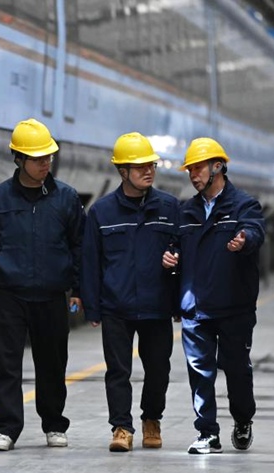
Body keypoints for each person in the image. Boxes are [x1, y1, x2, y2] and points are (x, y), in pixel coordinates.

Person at [0, 118, 84, 452]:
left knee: (52, 363)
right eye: (38, 159)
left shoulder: (66, 198)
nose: (45, 163)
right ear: (18, 159)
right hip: (10, 294)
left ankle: (54, 424)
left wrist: (78, 288)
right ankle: (6, 428)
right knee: (6, 365)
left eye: (48, 157)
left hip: (51, 294)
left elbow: (79, 246)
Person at [163, 137, 266, 454]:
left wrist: (244, 239)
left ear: (217, 167)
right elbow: (176, 245)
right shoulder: (187, 210)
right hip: (197, 307)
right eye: (190, 170)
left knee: (236, 369)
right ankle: (207, 432)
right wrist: (171, 256)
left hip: (234, 306)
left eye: (198, 168)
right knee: (199, 373)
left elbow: (256, 232)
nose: (193, 175)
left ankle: (243, 418)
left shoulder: (243, 205)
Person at [80, 132, 179, 453]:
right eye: (139, 167)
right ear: (122, 171)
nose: (148, 171)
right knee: (118, 371)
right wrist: (92, 308)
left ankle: (152, 419)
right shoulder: (102, 212)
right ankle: (121, 427)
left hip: (157, 305)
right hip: (116, 306)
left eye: (151, 165)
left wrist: (177, 288)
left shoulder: (169, 207)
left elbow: (184, 254)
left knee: (158, 370)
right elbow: (91, 262)